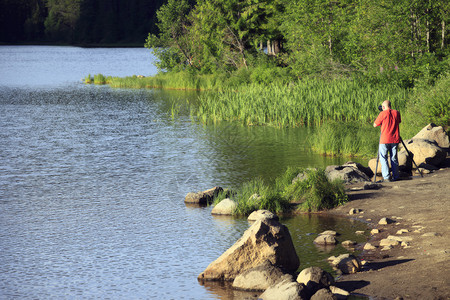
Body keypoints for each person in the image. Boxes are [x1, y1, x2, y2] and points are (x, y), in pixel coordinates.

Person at [373, 100, 401, 181]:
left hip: (384, 139)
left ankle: (386, 177)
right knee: (394, 158)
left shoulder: (382, 113)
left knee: (383, 158)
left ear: (383, 107)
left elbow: (375, 125)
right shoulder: (397, 112)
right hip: (395, 138)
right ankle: (396, 176)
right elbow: (398, 122)